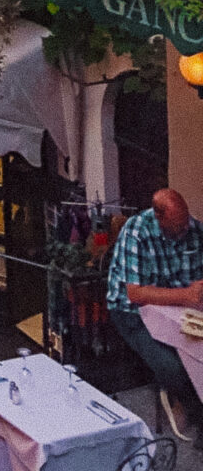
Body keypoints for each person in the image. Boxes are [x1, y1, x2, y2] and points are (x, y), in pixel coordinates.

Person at [108, 187, 203, 439]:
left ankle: (189, 405)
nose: (185, 230)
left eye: (186, 224)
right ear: (159, 218)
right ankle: (196, 417)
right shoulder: (137, 231)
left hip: (179, 310)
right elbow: (136, 294)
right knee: (173, 367)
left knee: (198, 355)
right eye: (178, 227)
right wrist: (187, 295)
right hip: (131, 312)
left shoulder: (193, 229)